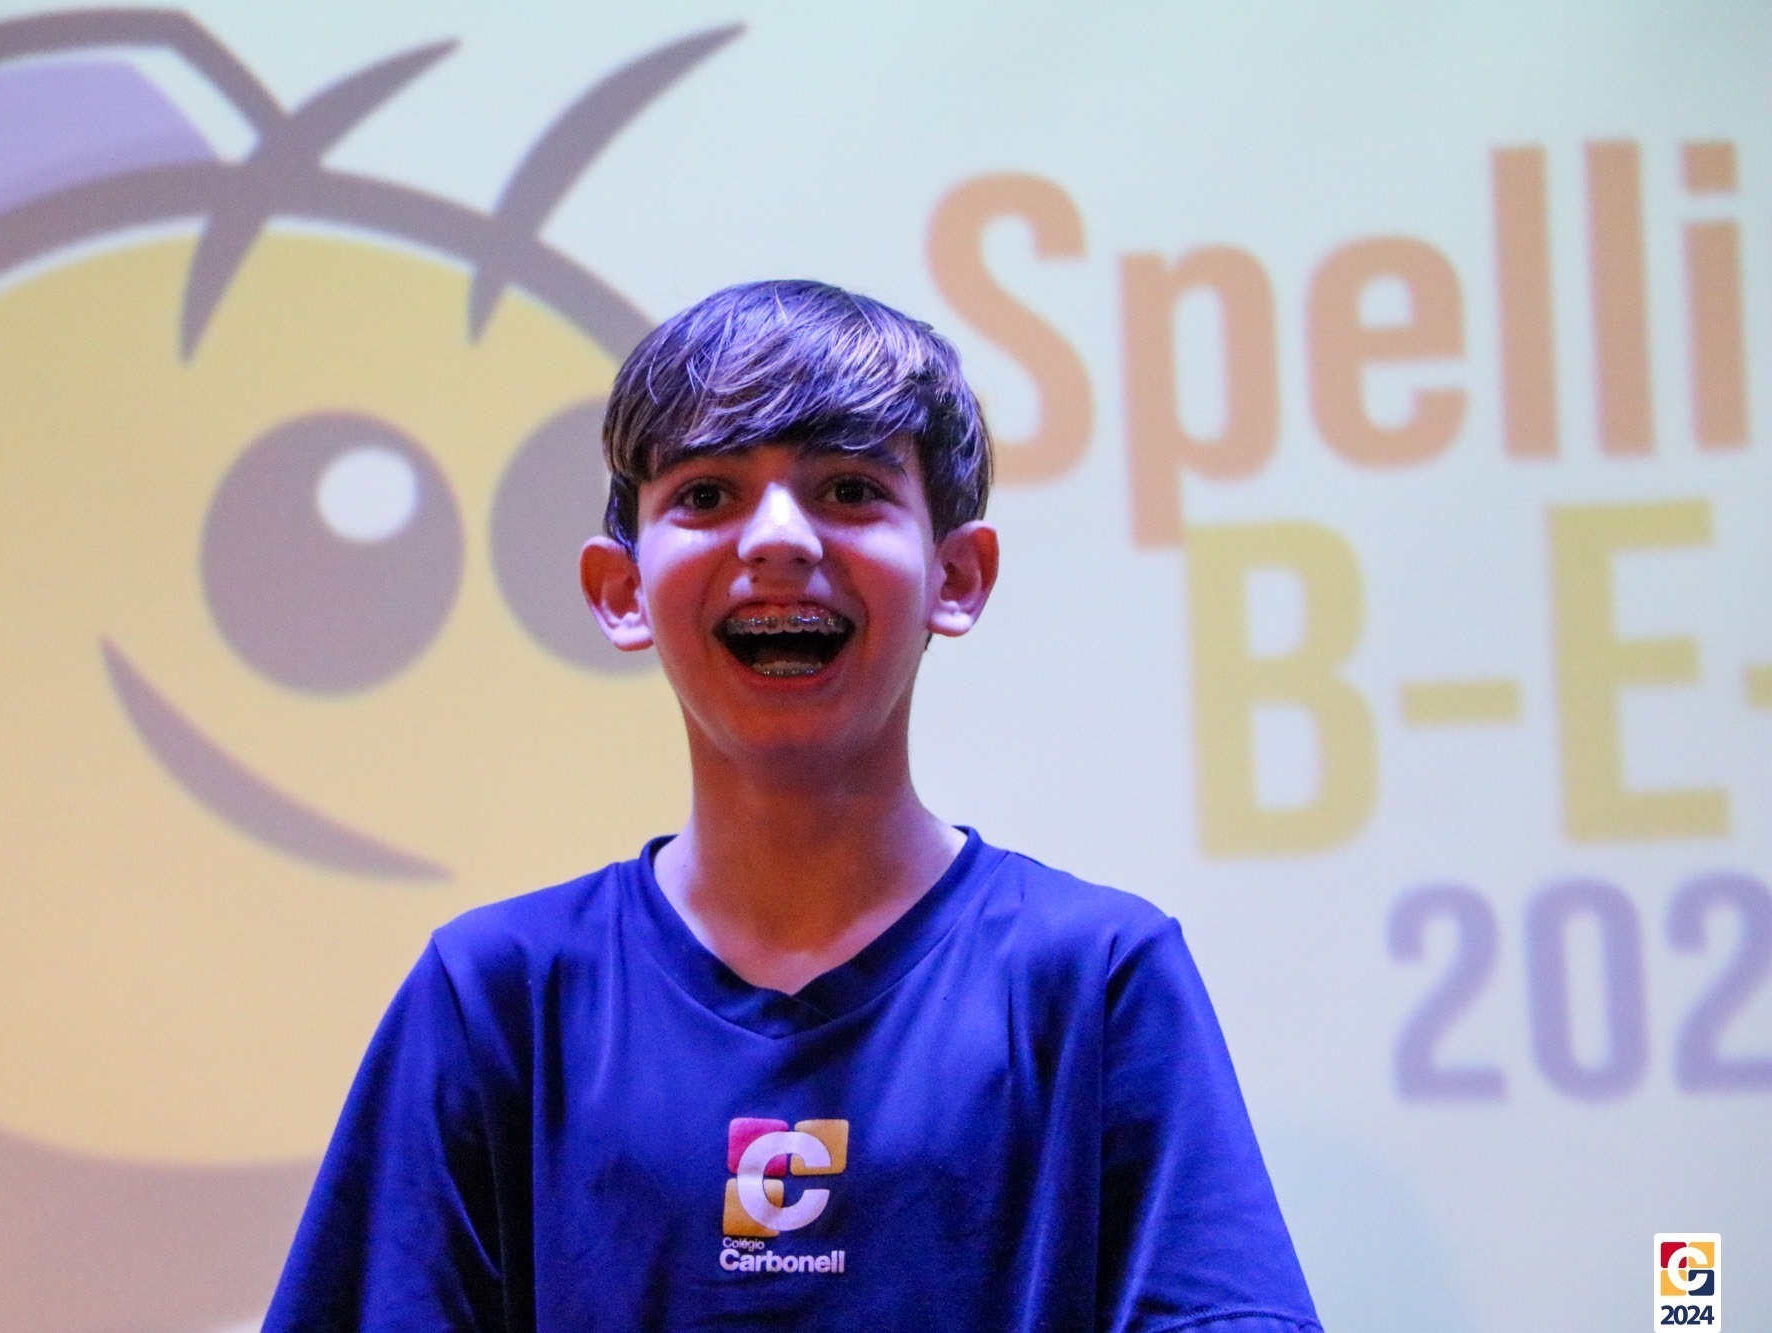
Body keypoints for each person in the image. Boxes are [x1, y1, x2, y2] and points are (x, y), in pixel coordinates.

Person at [263, 280, 1320, 1331]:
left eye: (849, 489)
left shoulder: (1093, 976)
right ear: (620, 591)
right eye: (706, 495)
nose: (778, 540)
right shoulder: (495, 995)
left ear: (956, 575)